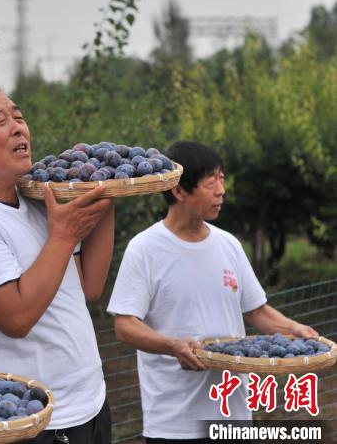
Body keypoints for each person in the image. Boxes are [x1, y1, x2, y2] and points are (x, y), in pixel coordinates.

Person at [0, 80, 116, 444]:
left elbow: (88, 288)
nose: (19, 127)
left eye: (19, 116)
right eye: (0, 120)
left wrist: (106, 196)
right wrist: (63, 236)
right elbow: (16, 318)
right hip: (28, 419)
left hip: (90, 404)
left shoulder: (37, 201)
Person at [106, 140, 318, 444]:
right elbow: (124, 326)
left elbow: (257, 310)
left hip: (232, 415)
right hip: (174, 424)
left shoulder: (228, 244)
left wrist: (294, 329)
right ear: (179, 190)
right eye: (211, 182)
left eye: (222, 179)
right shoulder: (145, 249)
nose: (222, 190)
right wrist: (172, 346)